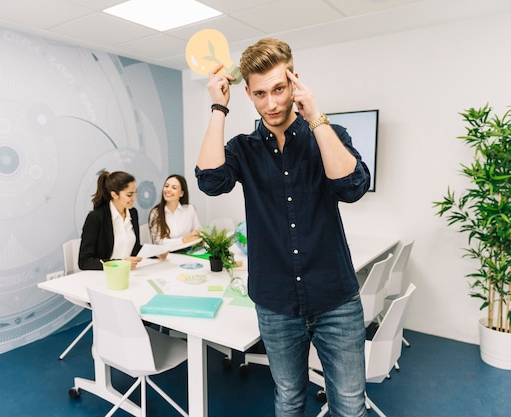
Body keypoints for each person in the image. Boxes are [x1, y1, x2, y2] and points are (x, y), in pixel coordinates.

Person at [195, 38, 371, 417]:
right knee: (289, 399)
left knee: (351, 406)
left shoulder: (328, 134)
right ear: (248, 94)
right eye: (260, 93)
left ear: (294, 82)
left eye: (279, 89)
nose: (271, 103)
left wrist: (316, 116)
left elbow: (352, 187)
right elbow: (210, 181)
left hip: (335, 299)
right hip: (275, 303)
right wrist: (217, 107)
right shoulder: (243, 149)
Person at [78, 170, 143, 270]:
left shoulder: (133, 213)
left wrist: (156, 253)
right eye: (129, 195)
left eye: (135, 193)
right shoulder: (96, 217)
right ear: (114, 195)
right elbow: (84, 262)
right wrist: (120, 264)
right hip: (104, 277)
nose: (134, 198)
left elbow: (133, 248)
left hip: (129, 273)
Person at [148, 174, 202, 247]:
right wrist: (184, 240)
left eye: (174, 188)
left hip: (188, 253)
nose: (168, 190)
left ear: (181, 193)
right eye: (166, 186)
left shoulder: (190, 209)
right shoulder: (155, 213)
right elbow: (160, 242)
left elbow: (198, 233)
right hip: (166, 255)